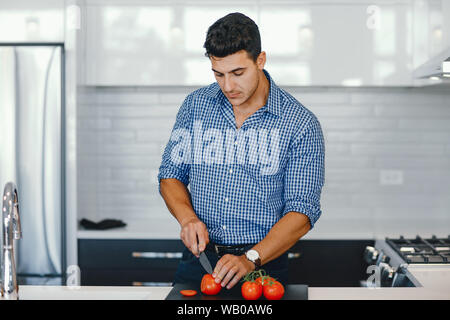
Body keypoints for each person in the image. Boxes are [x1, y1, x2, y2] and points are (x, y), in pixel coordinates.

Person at [158, 12, 325, 290]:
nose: (228, 86)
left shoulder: (300, 124)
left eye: (238, 73)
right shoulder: (195, 106)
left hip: (263, 264)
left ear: (260, 60)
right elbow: (170, 175)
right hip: (200, 260)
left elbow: (303, 210)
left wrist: (250, 258)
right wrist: (187, 218)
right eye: (218, 74)